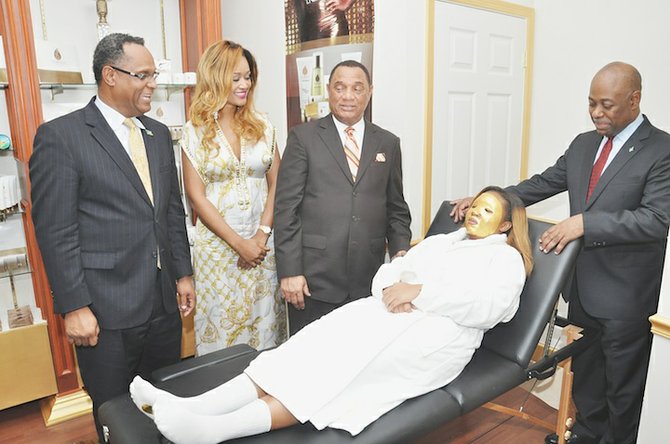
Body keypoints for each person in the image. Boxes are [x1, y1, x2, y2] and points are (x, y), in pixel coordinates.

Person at [129, 186, 534, 444]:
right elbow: (390, 272)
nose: (476, 212)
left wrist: (420, 291)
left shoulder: (505, 260)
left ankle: (210, 431)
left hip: (437, 341)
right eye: (476, 205)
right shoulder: (443, 242)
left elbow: (490, 309)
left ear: (504, 225)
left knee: (334, 369)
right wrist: (397, 287)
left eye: (488, 210)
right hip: (384, 314)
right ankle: (193, 405)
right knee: (302, 348)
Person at [452, 62, 670, 444]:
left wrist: (584, 223)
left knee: (622, 387)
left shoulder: (662, 150)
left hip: (627, 296)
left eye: (607, 105)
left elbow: (654, 219)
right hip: (582, 286)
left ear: (634, 100)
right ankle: (585, 435)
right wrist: (493, 199)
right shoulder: (584, 144)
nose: (597, 113)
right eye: (591, 104)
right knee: (586, 374)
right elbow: (543, 183)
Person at [29, 33, 195, 440]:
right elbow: (55, 230)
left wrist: (183, 274)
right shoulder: (62, 137)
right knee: (115, 412)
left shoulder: (157, 134)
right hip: (105, 309)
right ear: (110, 75)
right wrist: (73, 306)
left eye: (154, 75)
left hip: (162, 303)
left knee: (162, 402)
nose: (152, 84)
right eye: (143, 75)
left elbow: (171, 209)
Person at [275, 59, 412, 335]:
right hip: (313, 280)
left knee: (358, 359)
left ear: (370, 91)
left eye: (357, 88)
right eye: (340, 87)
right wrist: (290, 271)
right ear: (328, 90)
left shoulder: (388, 143)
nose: (348, 96)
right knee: (310, 360)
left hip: (368, 278)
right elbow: (286, 208)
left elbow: (396, 207)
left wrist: (400, 257)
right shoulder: (303, 138)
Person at [180, 40, 286, 355]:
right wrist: (239, 243)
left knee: (264, 331)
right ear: (215, 77)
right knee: (221, 336)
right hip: (217, 252)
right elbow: (196, 197)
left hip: (263, 248)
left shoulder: (263, 125)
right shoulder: (194, 131)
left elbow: (278, 183)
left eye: (248, 77)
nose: (244, 85)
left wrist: (261, 235)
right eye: (236, 77)